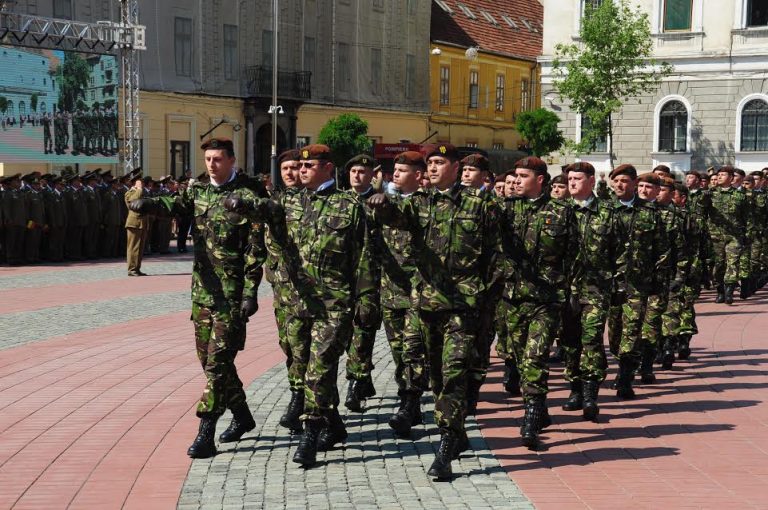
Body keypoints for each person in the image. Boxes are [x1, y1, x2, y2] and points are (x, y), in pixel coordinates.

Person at [368, 143, 501, 480]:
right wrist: (383, 206)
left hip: (464, 305)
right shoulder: (419, 204)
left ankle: (444, 449)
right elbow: (397, 219)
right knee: (438, 379)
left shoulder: (480, 204)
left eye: (440, 162)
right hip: (428, 303)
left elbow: (499, 252)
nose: (432, 168)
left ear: (456, 167)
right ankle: (457, 431)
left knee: (454, 372)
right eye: (430, 163)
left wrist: (488, 297)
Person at [129, 137, 264, 458]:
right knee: (208, 361)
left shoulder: (247, 198)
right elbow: (177, 206)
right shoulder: (198, 191)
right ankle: (243, 416)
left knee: (218, 363)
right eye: (208, 159)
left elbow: (255, 250)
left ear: (232, 160)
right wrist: (150, 204)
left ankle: (206, 431)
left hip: (232, 295)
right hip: (203, 292)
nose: (212, 165)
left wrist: (250, 292)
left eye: (218, 159)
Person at [498, 156, 576, 448]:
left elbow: (574, 254)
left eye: (523, 176)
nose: (516, 180)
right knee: (519, 357)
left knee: (535, 356)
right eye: (515, 175)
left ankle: (530, 415)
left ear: (540, 180)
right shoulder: (504, 210)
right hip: (513, 297)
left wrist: (568, 290)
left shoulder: (562, 212)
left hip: (546, 299)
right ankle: (540, 407)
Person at [606, 165, 669, 399]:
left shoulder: (650, 214)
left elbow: (662, 250)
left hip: (638, 284)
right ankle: (621, 362)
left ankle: (625, 376)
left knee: (632, 330)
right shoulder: (606, 211)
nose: (619, 185)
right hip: (610, 283)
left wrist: (658, 281)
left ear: (633, 184)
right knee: (615, 333)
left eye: (624, 181)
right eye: (616, 181)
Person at [560, 162, 616, 421]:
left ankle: (590, 392)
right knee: (570, 341)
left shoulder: (607, 212)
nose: (572, 183)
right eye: (569, 178)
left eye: (577, 178)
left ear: (592, 181)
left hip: (596, 288)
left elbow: (622, 250)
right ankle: (574, 389)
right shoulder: (559, 211)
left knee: (591, 339)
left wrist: (618, 282)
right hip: (564, 289)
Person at [377, 151, 426, 436]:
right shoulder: (384, 203)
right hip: (390, 290)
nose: (395, 174)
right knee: (398, 352)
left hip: (420, 290)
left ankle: (408, 404)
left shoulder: (428, 204)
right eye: (394, 169)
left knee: (413, 349)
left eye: (402, 170)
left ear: (418, 175)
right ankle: (411, 398)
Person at [264, 150, 312, 434]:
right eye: (286, 169)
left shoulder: (313, 203)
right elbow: (259, 246)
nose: (292, 173)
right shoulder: (272, 204)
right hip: (281, 289)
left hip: (311, 291)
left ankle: (302, 400)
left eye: (296, 168)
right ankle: (300, 394)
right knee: (290, 346)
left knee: (307, 348)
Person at [344, 154, 382, 412]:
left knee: (363, 331)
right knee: (346, 334)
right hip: (341, 280)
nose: (357, 175)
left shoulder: (380, 203)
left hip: (370, 279)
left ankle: (355, 386)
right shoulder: (338, 201)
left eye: (362, 171)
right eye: (354, 170)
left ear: (372, 176)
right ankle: (364, 377)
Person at [709, 166, 748, 304]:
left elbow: (746, 216)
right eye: (718, 174)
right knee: (718, 266)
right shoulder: (710, 194)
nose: (719, 177)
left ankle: (729, 292)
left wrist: (746, 234)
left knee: (733, 263)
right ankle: (720, 291)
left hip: (734, 236)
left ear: (731, 178)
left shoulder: (740, 196)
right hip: (715, 236)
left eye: (723, 174)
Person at [124, 170, 150, 276]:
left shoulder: (142, 192)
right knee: (133, 247)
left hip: (142, 223)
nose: (142, 183)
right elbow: (134, 202)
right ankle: (131, 269)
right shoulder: (129, 193)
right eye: (140, 181)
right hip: (133, 223)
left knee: (140, 248)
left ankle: (137, 268)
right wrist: (138, 188)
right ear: (135, 182)